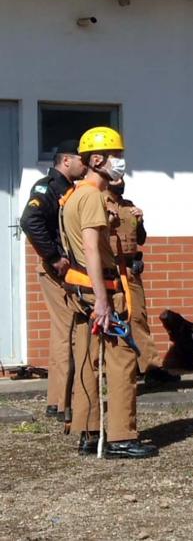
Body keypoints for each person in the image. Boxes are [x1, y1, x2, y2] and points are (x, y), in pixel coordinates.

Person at [61, 126, 157, 458]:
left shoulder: (73, 195)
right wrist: (104, 300)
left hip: (81, 287)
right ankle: (120, 436)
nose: (120, 162)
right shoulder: (90, 197)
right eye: (116, 156)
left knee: (88, 359)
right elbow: (90, 249)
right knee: (121, 360)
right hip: (99, 287)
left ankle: (89, 432)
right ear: (97, 159)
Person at [20, 139, 85, 420]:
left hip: (69, 271)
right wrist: (54, 257)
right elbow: (30, 220)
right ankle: (61, 402)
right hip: (56, 271)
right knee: (67, 331)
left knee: (67, 332)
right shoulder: (46, 187)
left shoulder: (72, 189)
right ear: (66, 160)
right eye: (82, 159)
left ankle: (60, 399)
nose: (86, 164)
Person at [106, 177, 177, 385]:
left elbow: (141, 239)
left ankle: (150, 367)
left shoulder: (128, 206)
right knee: (112, 320)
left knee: (138, 318)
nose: (120, 181)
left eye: (122, 178)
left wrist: (141, 220)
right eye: (116, 178)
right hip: (110, 269)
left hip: (130, 270)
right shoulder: (99, 203)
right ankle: (113, 368)